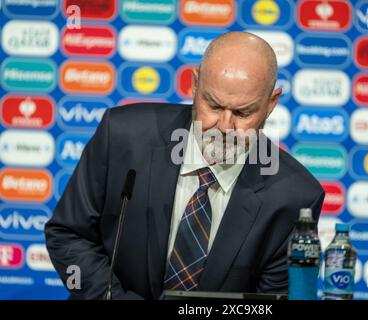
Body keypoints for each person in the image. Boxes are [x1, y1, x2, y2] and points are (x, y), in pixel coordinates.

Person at [45, 31, 325, 300]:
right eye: (213, 105)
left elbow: (269, 302)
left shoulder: (294, 196)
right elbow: (69, 235)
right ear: (194, 84)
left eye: (243, 112)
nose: (225, 127)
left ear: (271, 103)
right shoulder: (121, 137)